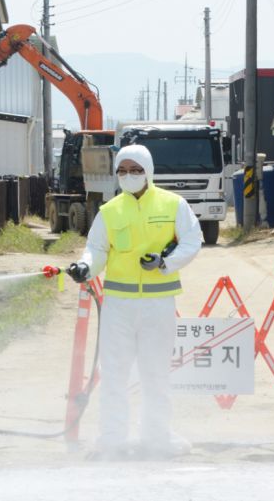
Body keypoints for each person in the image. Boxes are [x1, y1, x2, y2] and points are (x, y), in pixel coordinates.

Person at [66, 144, 202, 460]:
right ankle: (112, 440)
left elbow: (193, 241)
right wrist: (86, 266)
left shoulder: (173, 204)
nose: (129, 176)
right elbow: (97, 249)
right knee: (114, 373)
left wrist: (165, 262)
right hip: (118, 305)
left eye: (136, 170)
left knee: (155, 373)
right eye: (123, 170)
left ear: (148, 171)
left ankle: (157, 438)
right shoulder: (110, 211)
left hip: (159, 303)